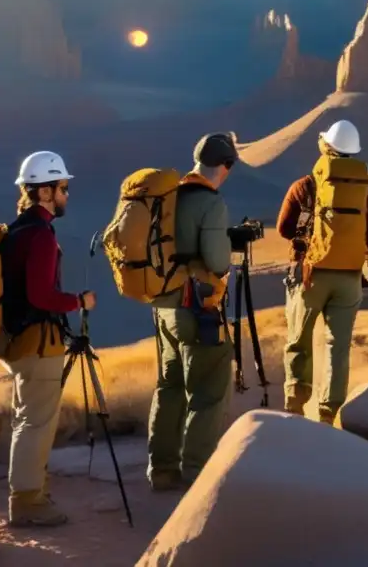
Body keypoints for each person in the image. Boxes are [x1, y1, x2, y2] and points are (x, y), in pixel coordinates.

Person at [0, 150, 96, 527]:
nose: (67, 194)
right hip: (38, 344)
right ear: (45, 191)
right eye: (63, 187)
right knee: (37, 423)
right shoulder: (41, 237)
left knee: (27, 421)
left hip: (19, 341)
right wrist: (78, 301)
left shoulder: (19, 230)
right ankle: (28, 502)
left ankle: (30, 491)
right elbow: (40, 295)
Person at [275, 119, 368, 425]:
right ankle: (328, 413)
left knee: (299, 340)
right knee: (338, 347)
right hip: (349, 278)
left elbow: (283, 228)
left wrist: (310, 241)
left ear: (326, 148)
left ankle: (295, 408)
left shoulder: (306, 186)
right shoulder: (365, 188)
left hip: (312, 275)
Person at [146, 132, 237, 491]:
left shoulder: (169, 197)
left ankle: (162, 469)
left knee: (169, 385)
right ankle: (199, 474)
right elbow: (216, 260)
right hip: (196, 306)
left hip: (163, 306)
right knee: (208, 387)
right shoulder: (210, 203)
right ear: (225, 167)